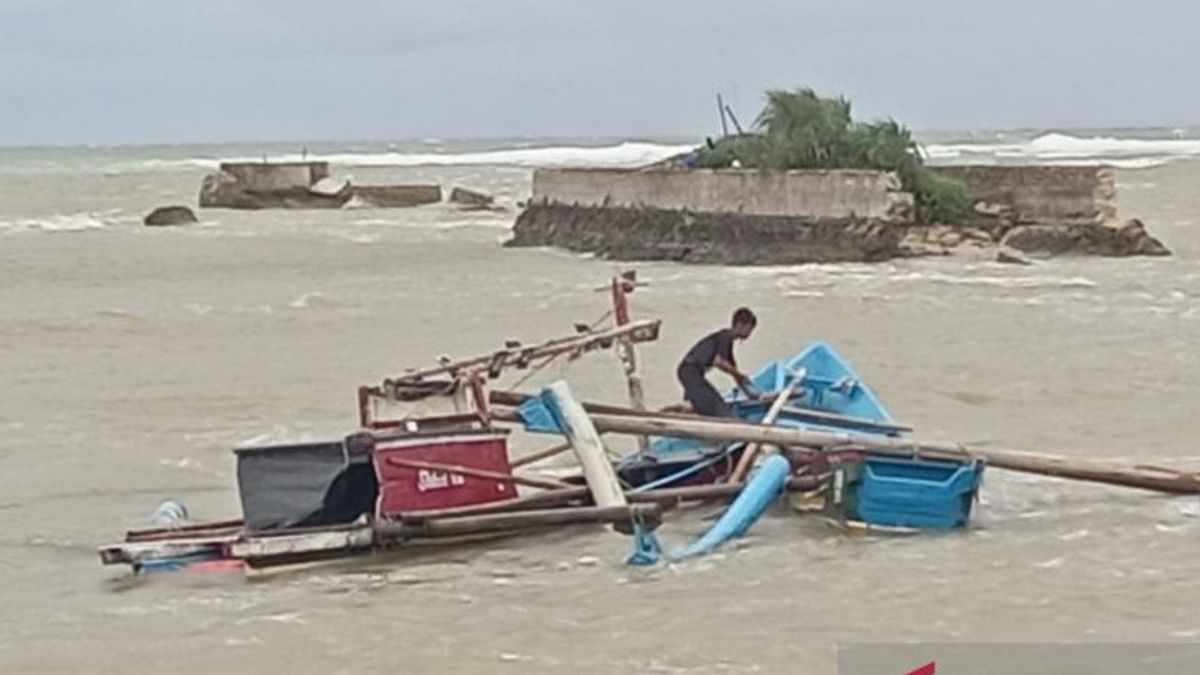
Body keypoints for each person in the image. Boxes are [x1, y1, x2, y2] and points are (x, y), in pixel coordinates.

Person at [676, 308, 760, 416]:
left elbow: (733, 370)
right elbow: (719, 362)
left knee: (702, 404)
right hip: (690, 371)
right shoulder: (725, 337)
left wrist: (749, 392)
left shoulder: (727, 341)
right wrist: (739, 375)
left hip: (691, 372)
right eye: (749, 329)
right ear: (739, 325)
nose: (750, 334)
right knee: (718, 408)